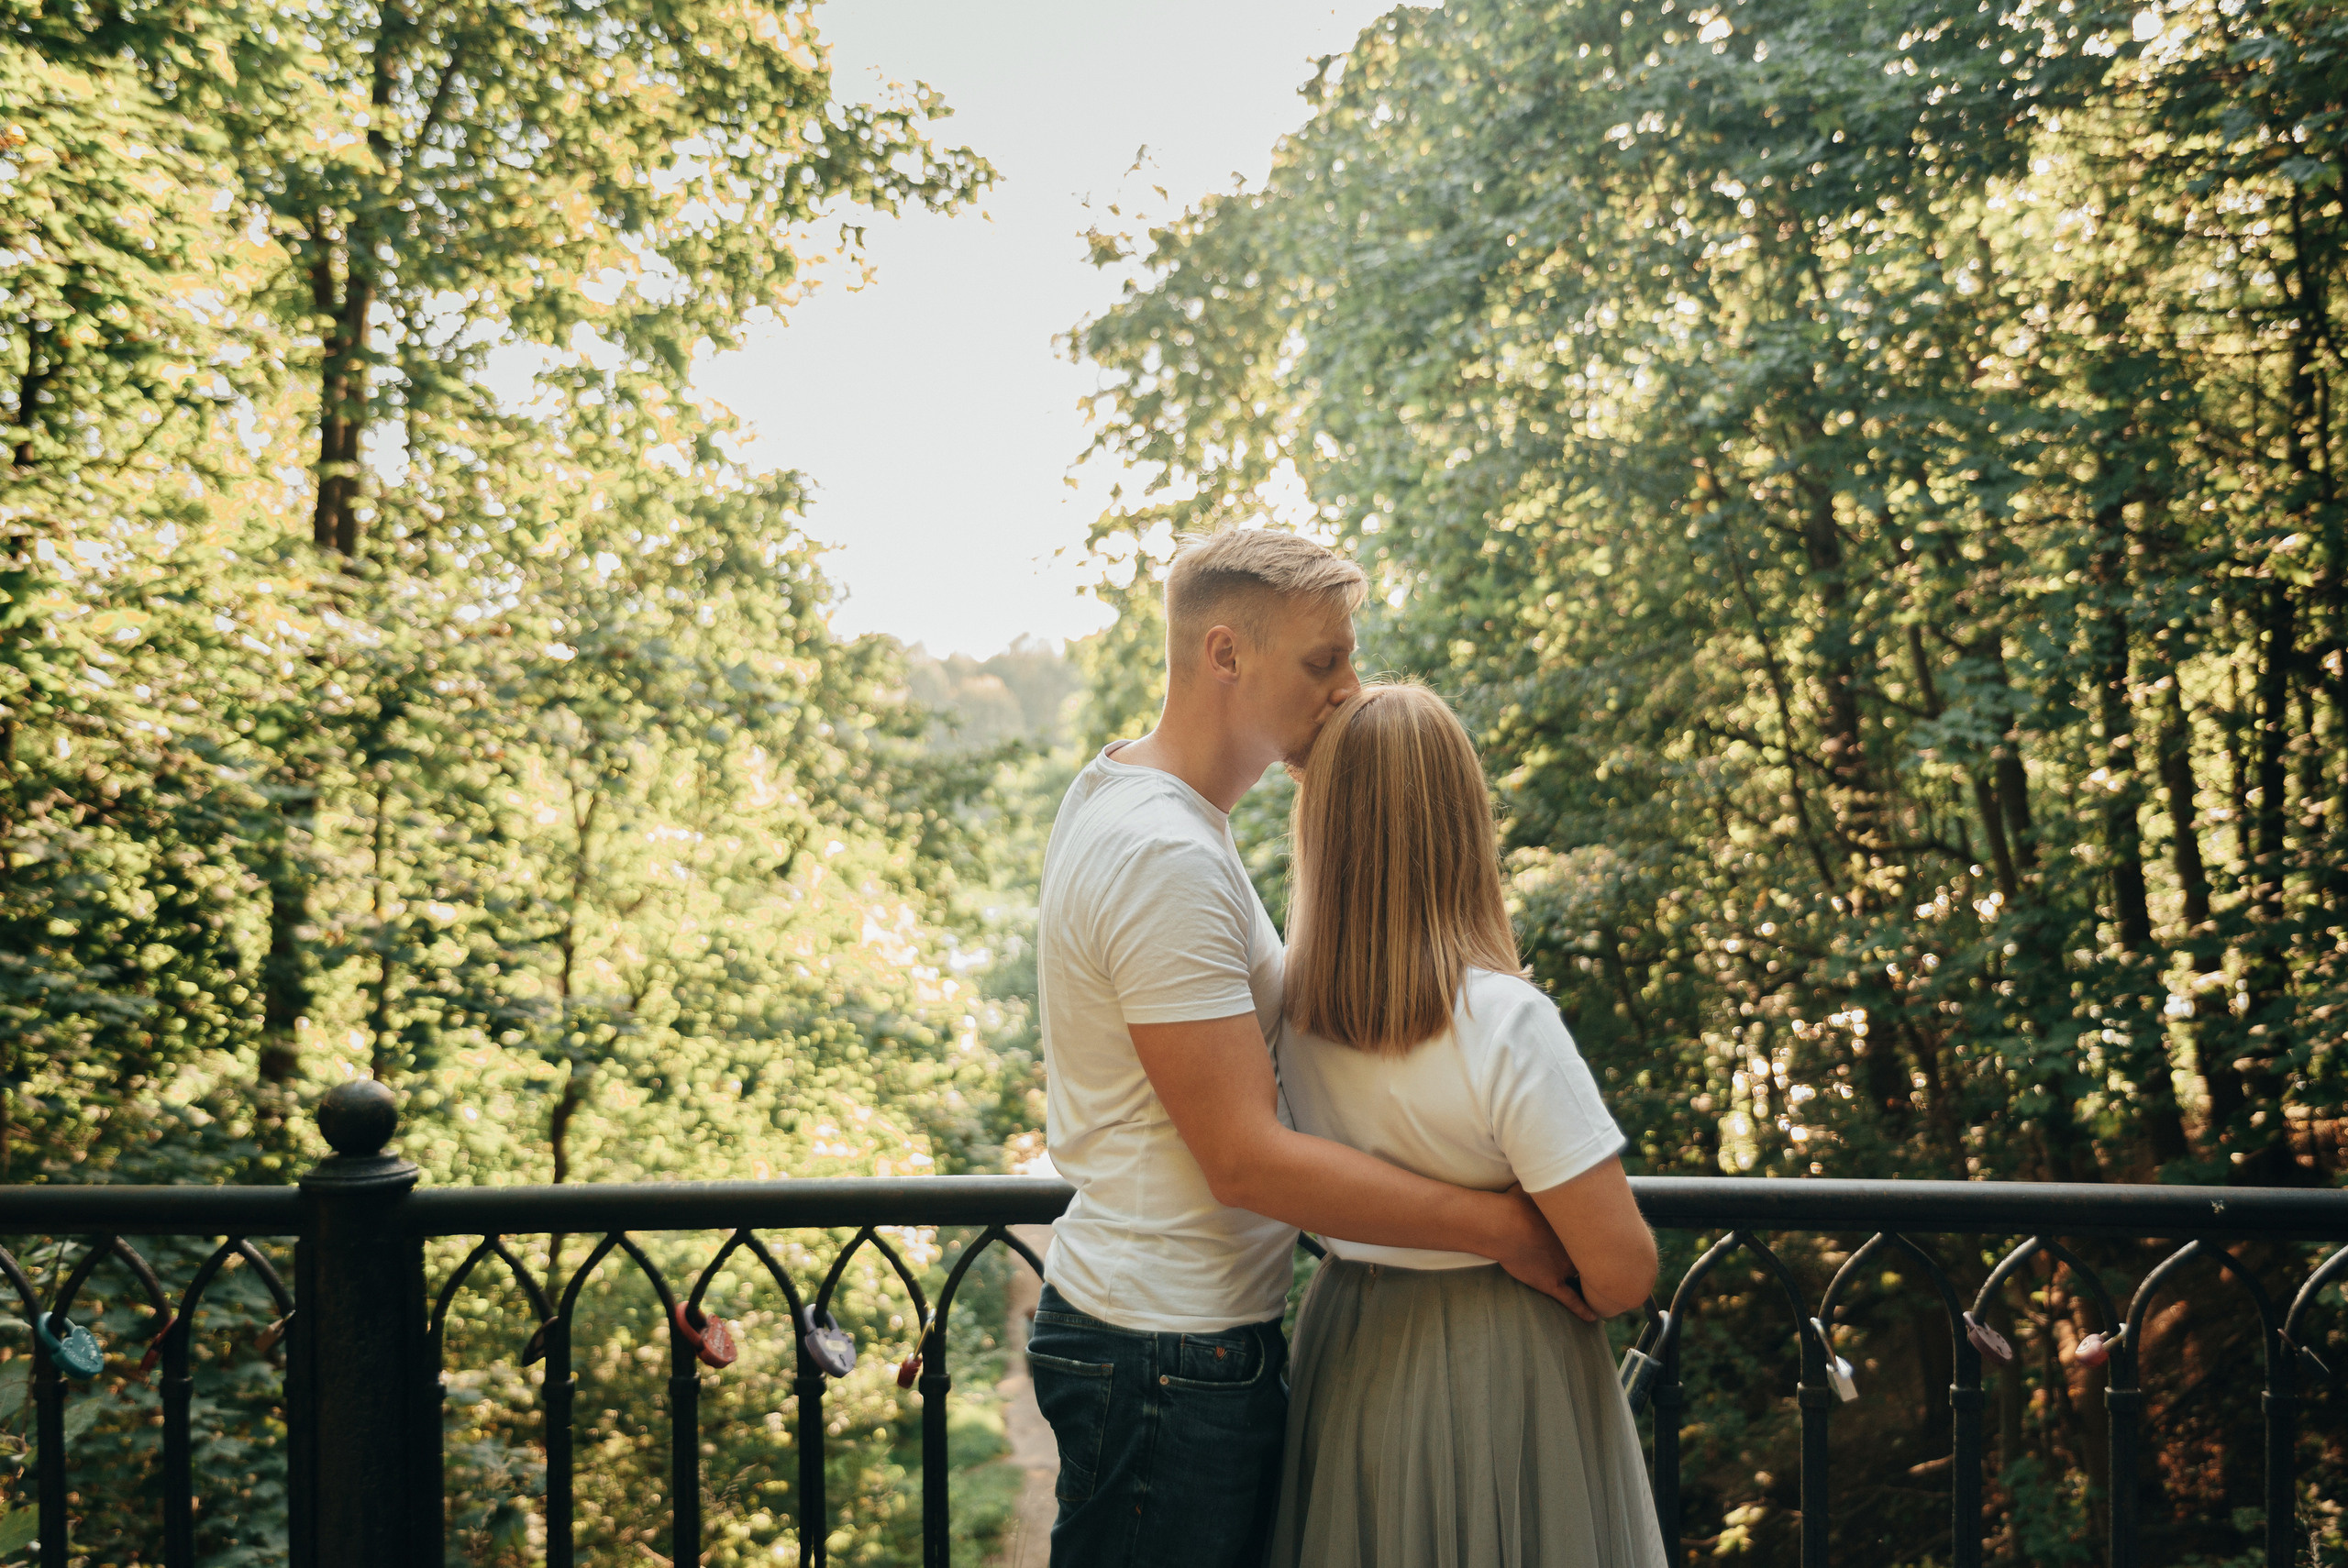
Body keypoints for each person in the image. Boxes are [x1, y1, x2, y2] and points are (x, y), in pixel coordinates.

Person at [1027, 530, 1590, 1568]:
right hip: (1164, 1354)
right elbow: (1243, 1159)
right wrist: (1504, 1229)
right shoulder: (1163, 856)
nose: (1347, 691)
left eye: (1348, 660)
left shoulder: (1141, 805)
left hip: (1171, 1339)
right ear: (1226, 655)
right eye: (1321, 662)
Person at [1263, 679, 1667, 1567]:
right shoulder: (1504, 1023)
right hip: (1504, 1364)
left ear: (1322, 830)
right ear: (1461, 824)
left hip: (1350, 1345)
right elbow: (1622, 1273)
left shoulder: (1285, 1012)